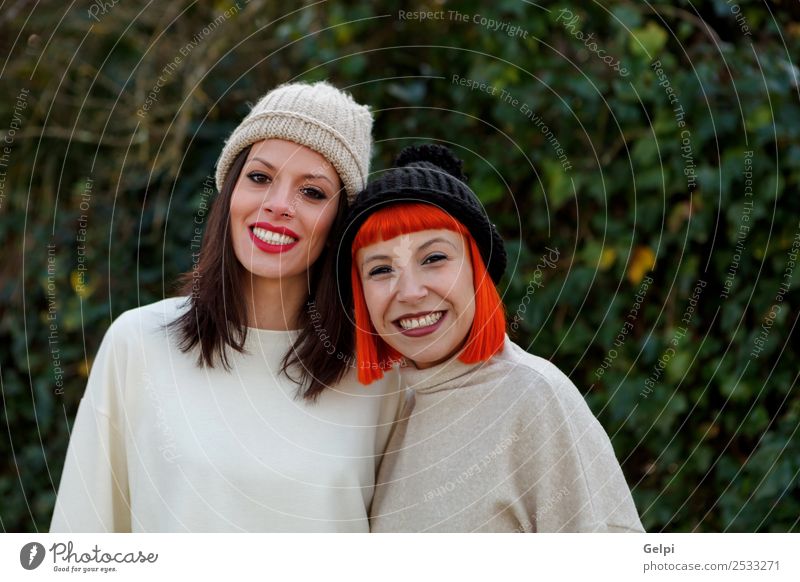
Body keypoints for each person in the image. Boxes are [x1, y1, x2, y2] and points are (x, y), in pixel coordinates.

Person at [50, 81, 404, 533]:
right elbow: (83, 536)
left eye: (312, 192)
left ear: (340, 223)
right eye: (260, 178)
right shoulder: (137, 343)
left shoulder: (380, 375)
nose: (278, 206)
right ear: (231, 191)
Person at [339, 144, 644, 532]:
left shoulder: (532, 396)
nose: (410, 291)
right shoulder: (383, 409)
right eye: (381, 269)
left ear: (477, 270)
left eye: (433, 258)